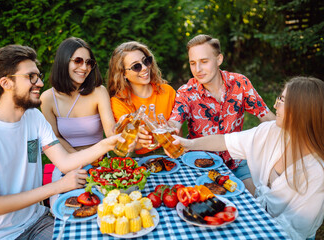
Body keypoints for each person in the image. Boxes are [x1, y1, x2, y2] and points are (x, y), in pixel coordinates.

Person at [0, 45, 120, 240]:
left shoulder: (34, 118)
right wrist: (58, 186)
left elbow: (64, 162)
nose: (39, 83)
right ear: (6, 83)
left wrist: (107, 144)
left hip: (36, 222)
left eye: (38, 76)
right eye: (30, 77)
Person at [167, 76, 324, 240]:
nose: (275, 105)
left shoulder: (317, 172)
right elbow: (224, 141)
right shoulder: (272, 131)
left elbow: (293, 232)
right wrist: (189, 144)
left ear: (302, 111)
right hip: (258, 217)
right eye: (279, 98)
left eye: (282, 100)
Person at [169, 34, 276, 194]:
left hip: (237, 161)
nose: (197, 70)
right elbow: (174, 122)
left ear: (219, 59)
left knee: (254, 202)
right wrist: (166, 129)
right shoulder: (186, 92)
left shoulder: (240, 83)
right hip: (201, 164)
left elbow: (268, 118)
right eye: (193, 63)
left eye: (204, 61)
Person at [40, 37, 116, 205]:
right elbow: (55, 138)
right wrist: (78, 161)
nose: (84, 68)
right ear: (63, 61)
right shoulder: (47, 98)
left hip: (100, 163)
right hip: (67, 165)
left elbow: (111, 131)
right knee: (69, 208)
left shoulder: (98, 92)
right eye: (78, 61)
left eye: (89, 63)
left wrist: (123, 134)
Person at [107, 41, 176, 155]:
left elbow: (178, 135)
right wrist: (139, 142)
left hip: (170, 154)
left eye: (146, 61)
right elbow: (124, 145)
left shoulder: (167, 91)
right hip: (138, 160)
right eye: (136, 66)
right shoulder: (119, 102)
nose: (144, 68)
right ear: (123, 73)